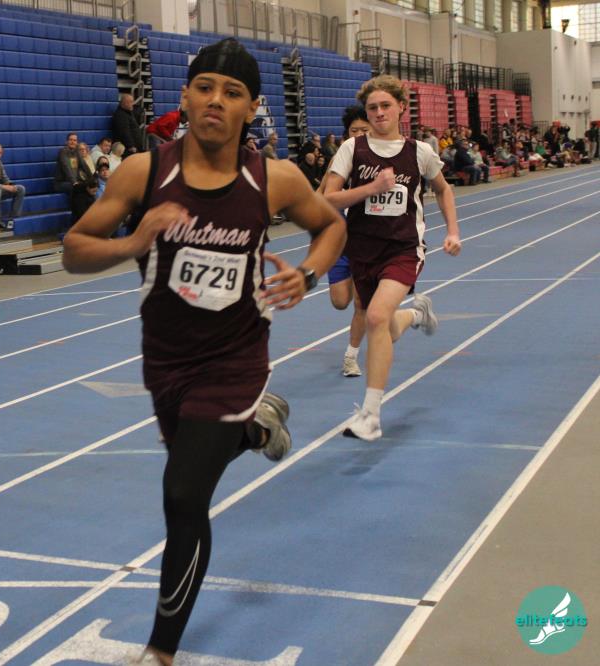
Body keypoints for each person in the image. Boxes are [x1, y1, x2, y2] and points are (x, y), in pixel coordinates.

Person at [62, 38, 345, 664]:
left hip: (235, 357)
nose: (216, 100)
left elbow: (332, 225)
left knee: (184, 495)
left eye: (232, 92)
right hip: (166, 359)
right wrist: (132, 241)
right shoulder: (143, 172)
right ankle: (254, 429)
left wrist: (309, 274)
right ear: (186, 97)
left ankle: (161, 651)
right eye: (205, 87)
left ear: (252, 108)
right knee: (191, 472)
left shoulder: (274, 179)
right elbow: (74, 250)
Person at [324, 74, 461, 441]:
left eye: (386, 105)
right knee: (382, 325)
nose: (379, 112)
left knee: (375, 317)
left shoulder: (419, 152)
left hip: (403, 248)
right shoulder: (352, 149)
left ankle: (370, 416)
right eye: (372, 108)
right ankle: (416, 314)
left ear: (401, 107)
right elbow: (328, 198)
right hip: (362, 249)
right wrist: (371, 188)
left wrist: (452, 231)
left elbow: (443, 190)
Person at [318, 104, 371, 378]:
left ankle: (351, 357)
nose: (359, 135)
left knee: (361, 304)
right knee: (340, 301)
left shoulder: (380, 160)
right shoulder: (338, 161)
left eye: (364, 130)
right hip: (339, 240)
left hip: (367, 240)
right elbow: (320, 195)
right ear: (346, 134)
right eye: (354, 130)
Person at [53, 133, 97, 223]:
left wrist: (92, 180)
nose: (73, 142)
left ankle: (90, 214)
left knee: (87, 186)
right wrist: (74, 182)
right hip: (61, 183)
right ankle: (76, 218)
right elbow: (66, 168)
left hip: (73, 182)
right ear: (66, 141)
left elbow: (84, 166)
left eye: (75, 140)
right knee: (77, 189)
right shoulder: (63, 152)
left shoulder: (77, 152)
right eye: (71, 140)